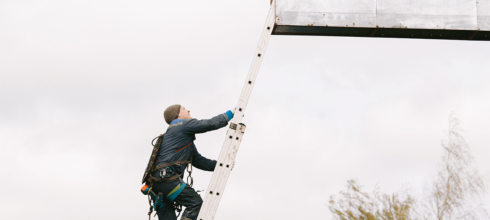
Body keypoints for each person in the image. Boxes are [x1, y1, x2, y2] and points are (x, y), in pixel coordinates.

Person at [150, 104, 235, 220]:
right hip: (166, 177)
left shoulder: (180, 138)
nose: (188, 110)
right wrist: (231, 113)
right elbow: (208, 124)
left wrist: (219, 166)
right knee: (195, 203)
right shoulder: (180, 124)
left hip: (158, 182)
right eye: (184, 109)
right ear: (178, 114)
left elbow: (197, 160)